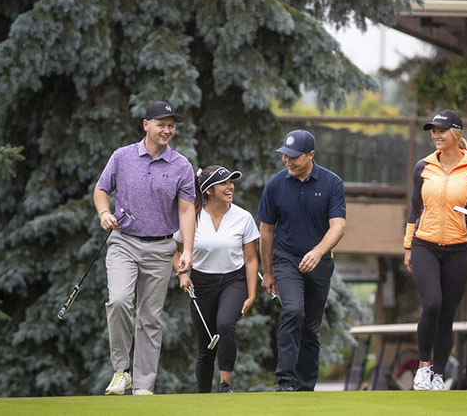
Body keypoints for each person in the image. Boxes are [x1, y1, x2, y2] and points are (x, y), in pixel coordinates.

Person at [94, 101, 196, 396]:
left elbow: (187, 212)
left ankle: (143, 387)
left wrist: (186, 250)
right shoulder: (122, 157)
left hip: (161, 249)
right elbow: (101, 190)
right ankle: (121, 372)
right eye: (161, 124)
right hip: (123, 242)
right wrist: (104, 214)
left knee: (150, 318)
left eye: (171, 126)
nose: (167, 130)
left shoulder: (181, 166)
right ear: (146, 125)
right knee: (120, 301)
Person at [403, 109, 467, 391]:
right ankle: (423, 368)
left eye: (440, 130)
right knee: (432, 304)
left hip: (458, 250)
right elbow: (414, 209)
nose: (435, 135)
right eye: (433, 131)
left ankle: (439, 375)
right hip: (424, 245)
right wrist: (407, 246)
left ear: (456, 134)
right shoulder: (422, 167)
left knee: (447, 313)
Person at [257, 129, 347, 391]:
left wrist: (318, 252)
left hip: (320, 263)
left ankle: (305, 387)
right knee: (293, 310)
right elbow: (267, 230)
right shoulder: (275, 185)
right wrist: (269, 271)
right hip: (286, 260)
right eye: (285, 156)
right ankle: (285, 379)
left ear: (311, 155)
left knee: (310, 327)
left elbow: (338, 227)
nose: (288, 161)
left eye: (294, 157)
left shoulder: (332, 183)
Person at [172, 165, 259, 393]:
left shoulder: (243, 217)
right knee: (205, 347)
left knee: (224, 324)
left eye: (231, 182)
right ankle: (203, 397)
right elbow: (176, 252)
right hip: (201, 283)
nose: (230, 187)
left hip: (234, 281)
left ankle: (225, 385)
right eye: (224, 183)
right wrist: (182, 275)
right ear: (208, 190)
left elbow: (250, 260)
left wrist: (251, 295)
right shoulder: (192, 217)